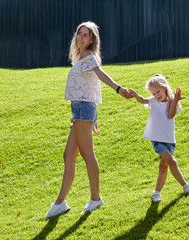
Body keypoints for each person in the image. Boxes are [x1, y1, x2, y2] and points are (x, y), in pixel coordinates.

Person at [46, 21, 131, 218]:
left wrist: (119, 89)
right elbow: (90, 85)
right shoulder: (82, 58)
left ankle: (95, 199)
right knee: (69, 156)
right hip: (82, 110)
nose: (81, 37)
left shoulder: (87, 55)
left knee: (87, 155)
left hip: (83, 110)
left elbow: (101, 75)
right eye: (79, 34)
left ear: (92, 40)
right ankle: (61, 203)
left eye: (86, 35)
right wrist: (93, 118)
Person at [129, 74, 189, 202]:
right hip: (157, 140)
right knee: (172, 161)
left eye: (158, 91)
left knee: (163, 166)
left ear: (165, 88)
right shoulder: (153, 101)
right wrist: (135, 95)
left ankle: (156, 193)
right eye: (153, 93)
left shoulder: (172, 102)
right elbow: (143, 100)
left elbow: (170, 115)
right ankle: (186, 187)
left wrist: (176, 100)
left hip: (170, 141)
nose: (156, 95)